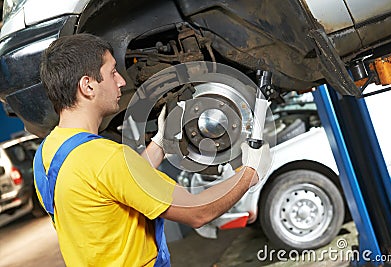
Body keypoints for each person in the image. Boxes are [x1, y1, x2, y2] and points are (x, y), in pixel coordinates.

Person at [34, 33, 271, 267]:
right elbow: (197, 213)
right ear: (87, 86)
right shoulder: (108, 158)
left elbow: (116, 186)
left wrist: (161, 143)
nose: (121, 81)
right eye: (112, 72)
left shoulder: (46, 156)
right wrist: (250, 173)